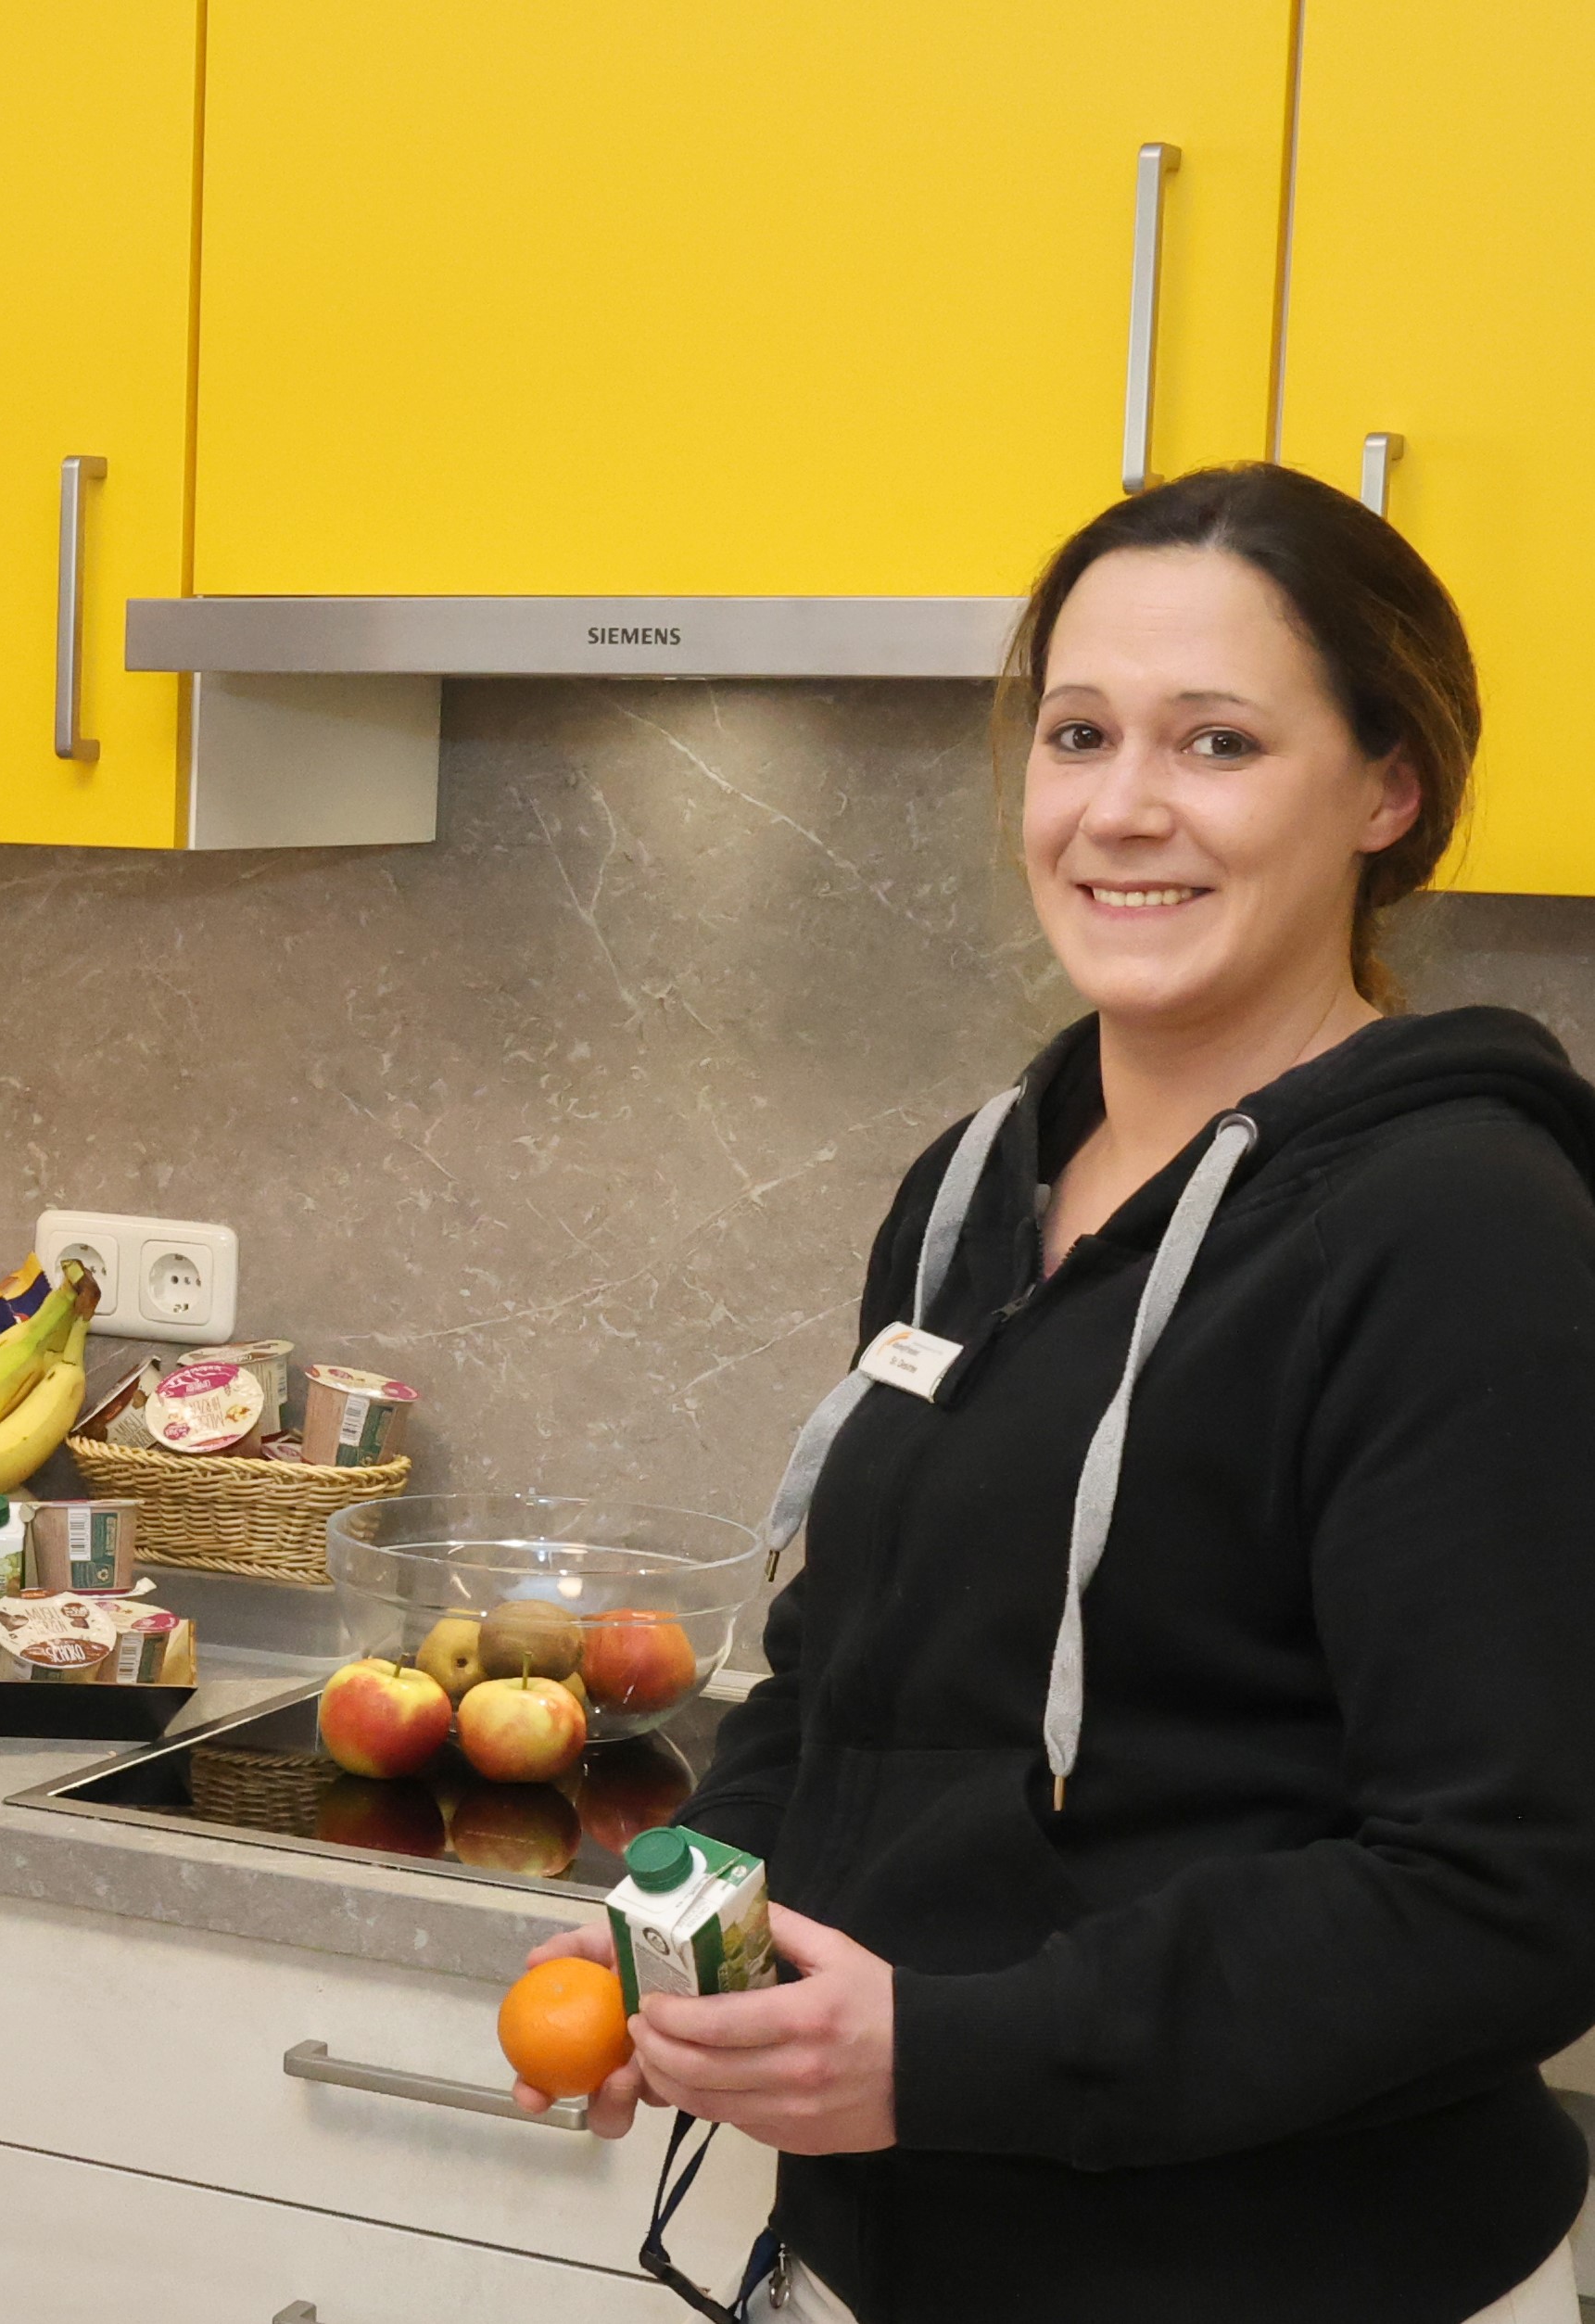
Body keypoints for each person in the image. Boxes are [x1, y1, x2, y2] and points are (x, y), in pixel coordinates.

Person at [516, 463, 1595, 2323]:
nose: (1121, 809)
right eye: (1077, 732)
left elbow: (1509, 1891)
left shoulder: (1460, 1232)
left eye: (1219, 743)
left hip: (1295, 2281)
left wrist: (943, 2057)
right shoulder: (972, 1189)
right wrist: (673, 1930)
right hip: (889, 2256)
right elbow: (835, 1676)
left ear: (1385, 790)